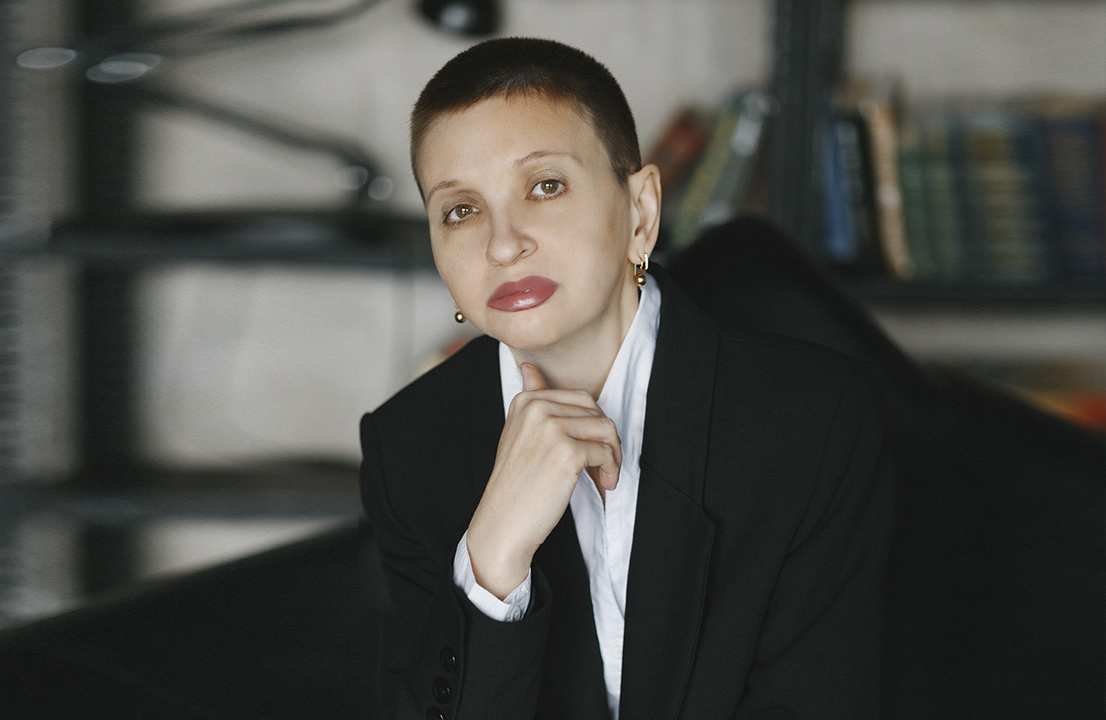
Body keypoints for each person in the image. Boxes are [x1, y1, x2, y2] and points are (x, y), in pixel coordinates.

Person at [359, 37, 893, 720]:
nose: (502, 243)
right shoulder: (406, 447)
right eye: (460, 209)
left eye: (545, 186)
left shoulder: (813, 420)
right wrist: (490, 561)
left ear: (640, 212)